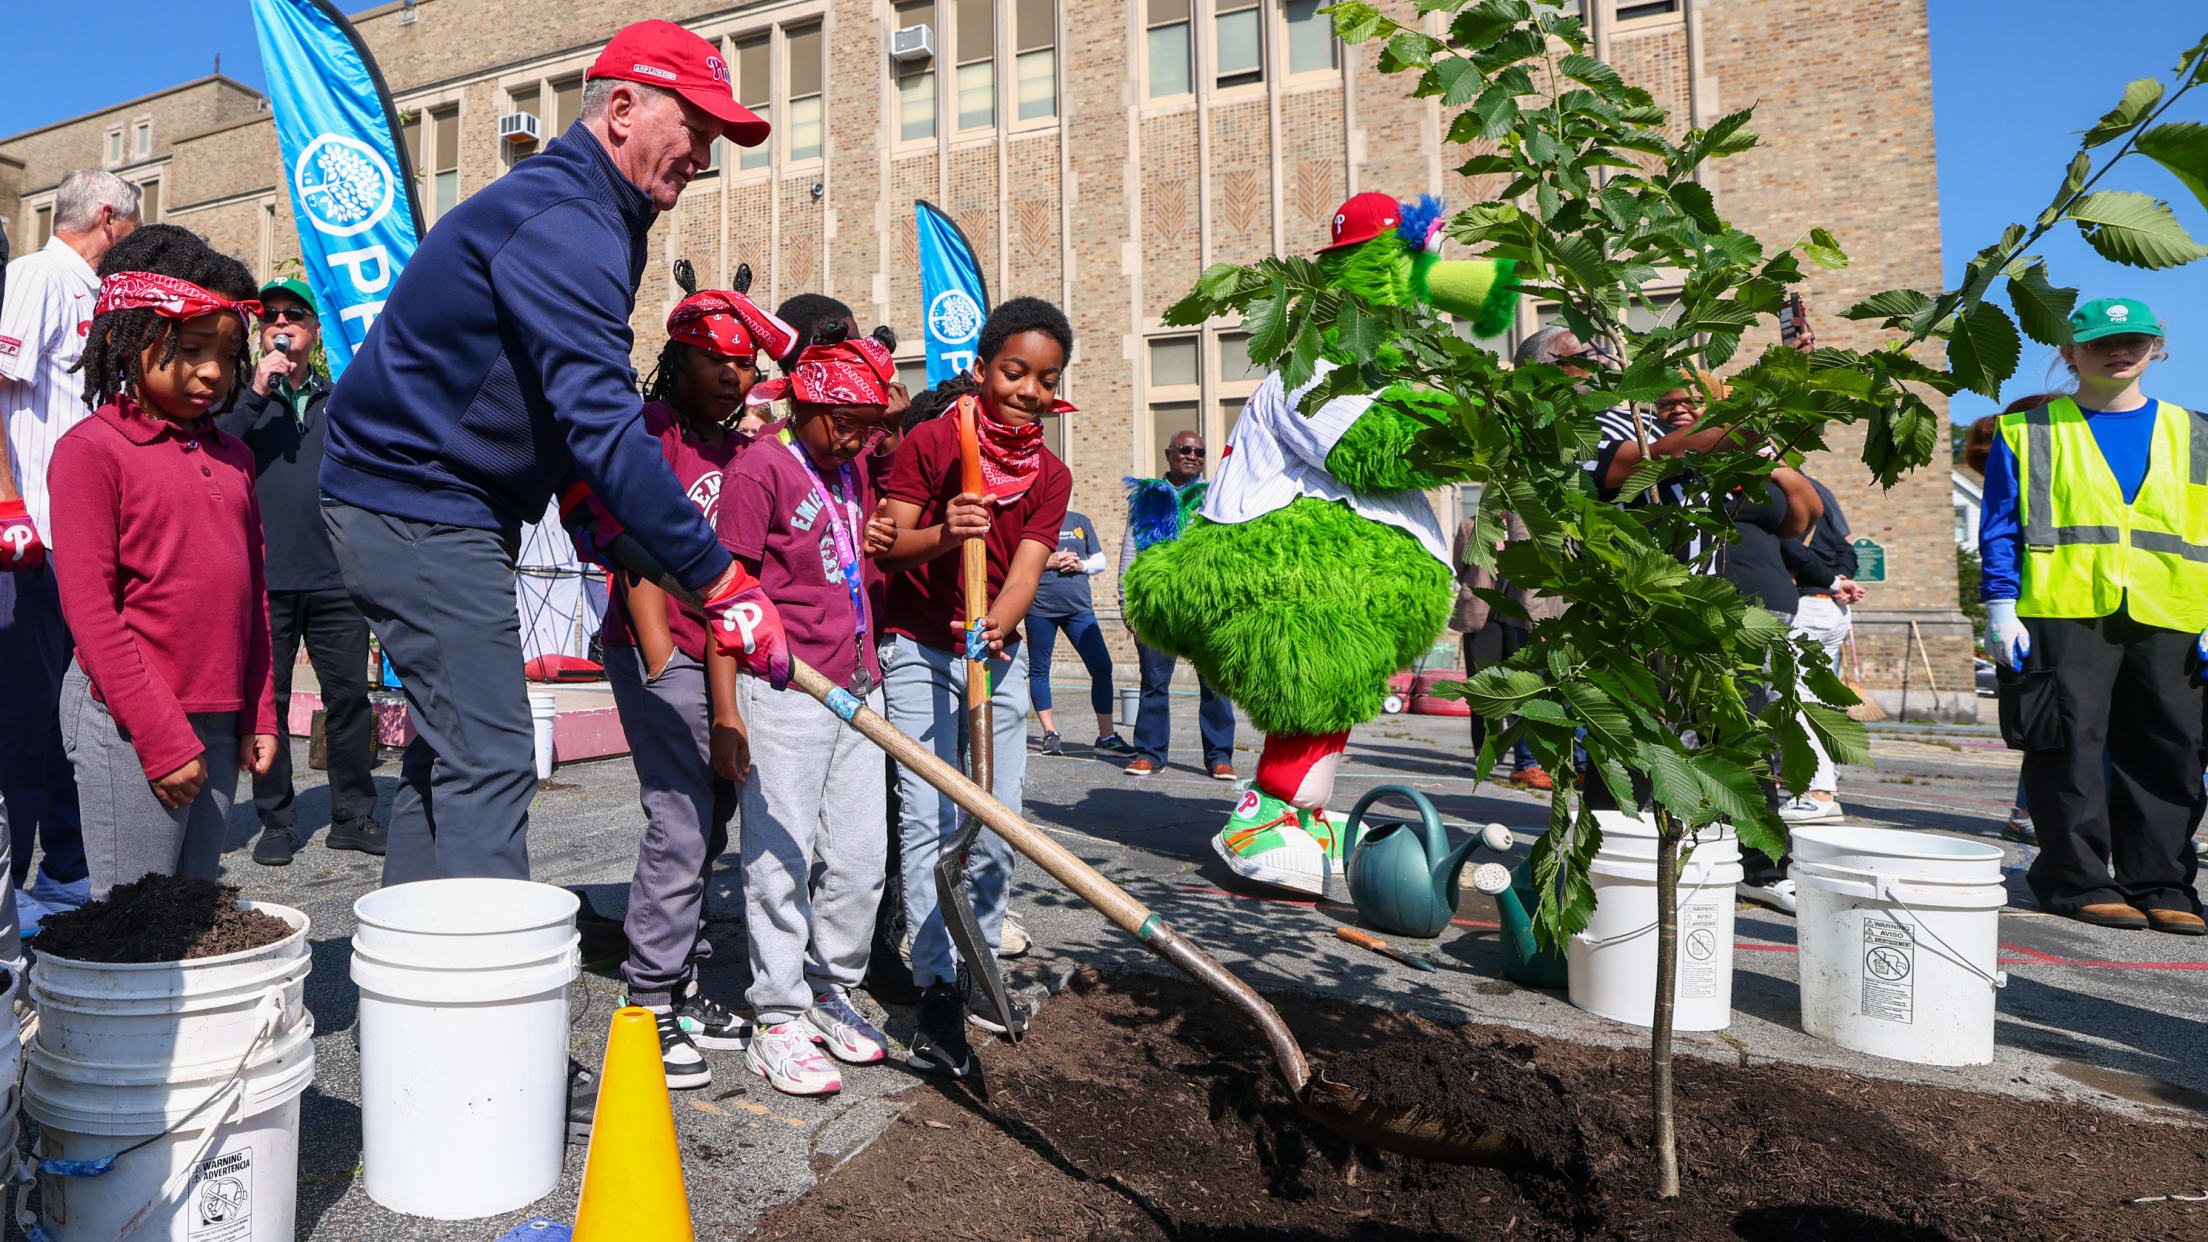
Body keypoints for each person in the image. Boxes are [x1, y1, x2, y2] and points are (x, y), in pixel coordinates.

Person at [318, 20, 791, 893]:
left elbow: (546, 398)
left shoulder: (601, 209)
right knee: (495, 757)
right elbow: (603, 417)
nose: (703, 154)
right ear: (622, 109)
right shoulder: (570, 218)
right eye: (696, 129)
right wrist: (721, 580)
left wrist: (588, 510)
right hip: (417, 498)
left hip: (446, 499)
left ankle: (418, 989)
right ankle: (479, 1003)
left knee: (453, 752)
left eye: (716, 140)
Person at [873, 296, 1075, 1077]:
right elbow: (891, 550)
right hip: (919, 647)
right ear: (985, 368)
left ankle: (979, 962)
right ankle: (936, 987)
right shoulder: (932, 440)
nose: (1028, 390)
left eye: (1045, 379)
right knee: (927, 818)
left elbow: (1025, 568)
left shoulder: (1049, 475)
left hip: (995, 651)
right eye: (1015, 372)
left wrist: (1001, 621)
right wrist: (945, 532)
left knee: (997, 819)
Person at [47, 224, 278, 898]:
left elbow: (252, 596)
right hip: (129, 721)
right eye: (191, 348)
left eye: (230, 355)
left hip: (217, 717)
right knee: (136, 921)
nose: (213, 371)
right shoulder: (93, 451)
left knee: (196, 909)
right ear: (129, 339)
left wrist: (259, 712)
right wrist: (159, 737)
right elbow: (91, 613)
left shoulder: (234, 459)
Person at [603, 274, 794, 1088]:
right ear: (676, 361)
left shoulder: (750, 450)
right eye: (713, 360)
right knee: (679, 821)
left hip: (724, 653)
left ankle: (679, 975)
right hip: (661, 648)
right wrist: (658, 657)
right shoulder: (649, 430)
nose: (731, 375)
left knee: (713, 814)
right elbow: (625, 536)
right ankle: (647, 1003)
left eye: (744, 362)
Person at [1980, 297, 2207, 936]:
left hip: (2174, 611)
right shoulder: (2027, 430)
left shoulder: (2197, 431)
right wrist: (2000, 603)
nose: (2120, 351)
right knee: (2067, 749)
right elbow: (2001, 526)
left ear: (2156, 348)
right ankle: (2076, 881)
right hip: (2062, 609)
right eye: (2104, 341)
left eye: (2135, 341)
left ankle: (2162, 883)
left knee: (2172, 752)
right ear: (2069, 353)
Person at [721, 331, 899, 1097]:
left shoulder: (852, 465)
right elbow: (722, 595)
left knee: (861, 859)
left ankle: (832, 989)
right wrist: (725, 710)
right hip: (787, 689)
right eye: (846, 421)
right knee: (779, 858)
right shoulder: (759, 468)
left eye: (869, 422)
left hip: (861, 688)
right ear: (806, 404)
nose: (859, 437)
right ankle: (777, 1017)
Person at [0, 169, 137, 922]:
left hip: (76, 537)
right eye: (133, 230)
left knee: (71, 710)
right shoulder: (36, 275)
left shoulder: (94, 297)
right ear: (107, 217)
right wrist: (9, 504)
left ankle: (67, 868)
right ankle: (14, 885)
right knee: (27, 715)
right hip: (32, 534)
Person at [217, 278, 386, 866]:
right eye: (270, 318)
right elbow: (219, 449)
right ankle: (278, 821)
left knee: (348, 699)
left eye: (294, 316)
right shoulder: (242, 399)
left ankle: (353, 814)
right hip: (265, 577)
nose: (280, 324)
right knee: (270, 701)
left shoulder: (338, 399)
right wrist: (258, 393)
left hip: (334, 576)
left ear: (314, 333)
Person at [1119, 430, 1237, 780]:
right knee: (1153, 683)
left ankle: (1220, 757)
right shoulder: (1148, 495)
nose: (1192, 455)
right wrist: (1128, 603)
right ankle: (1149, 754)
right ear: (1169, 454)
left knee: (1215, 683)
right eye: (1184, 449)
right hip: (1158, 604)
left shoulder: (1215, 494)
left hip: (1204, 604)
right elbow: (1130, 548)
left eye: (1199, 452)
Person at [1971, 394, 2060, 847]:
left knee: (2052, 725)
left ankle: (2029, 810)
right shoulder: (2026, 457)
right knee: (2049, 726)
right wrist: (2002, 608)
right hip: (2036, 612)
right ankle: (2028, 810)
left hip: (2051, 608)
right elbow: (2001, 539)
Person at [1449, 510, 1560, 788]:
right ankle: (1485, 750)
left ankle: (1524, 756)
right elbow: (1460, 565)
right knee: (1483, 683)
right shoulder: (1470, 525)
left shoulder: (1527, 524)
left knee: (1518, 684)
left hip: (1518, 611)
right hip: (1481, 609)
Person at [1777, 472, 1864, 824]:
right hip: (1831, 608)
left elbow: (1785, 546)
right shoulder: (1818, 489)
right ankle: (1818, 783)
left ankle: (1819, 791)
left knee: (1799, 702)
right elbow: (1846, 549)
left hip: (1805, 605)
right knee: (1816, 699)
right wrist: (1842, 581)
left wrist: (1831, 581)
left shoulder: (1778, 489)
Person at [1027, 509, 1126, 756]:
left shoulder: (1080, 520)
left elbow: (1100, 561)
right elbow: (1014, 561)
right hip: (1040, 608)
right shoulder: (1029, 518)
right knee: (1040, 670)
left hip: (1079, 609)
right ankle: (1050, 734)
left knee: (1102, 667)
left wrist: (1081, 564)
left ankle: (1107, 737)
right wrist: (1045, 561)